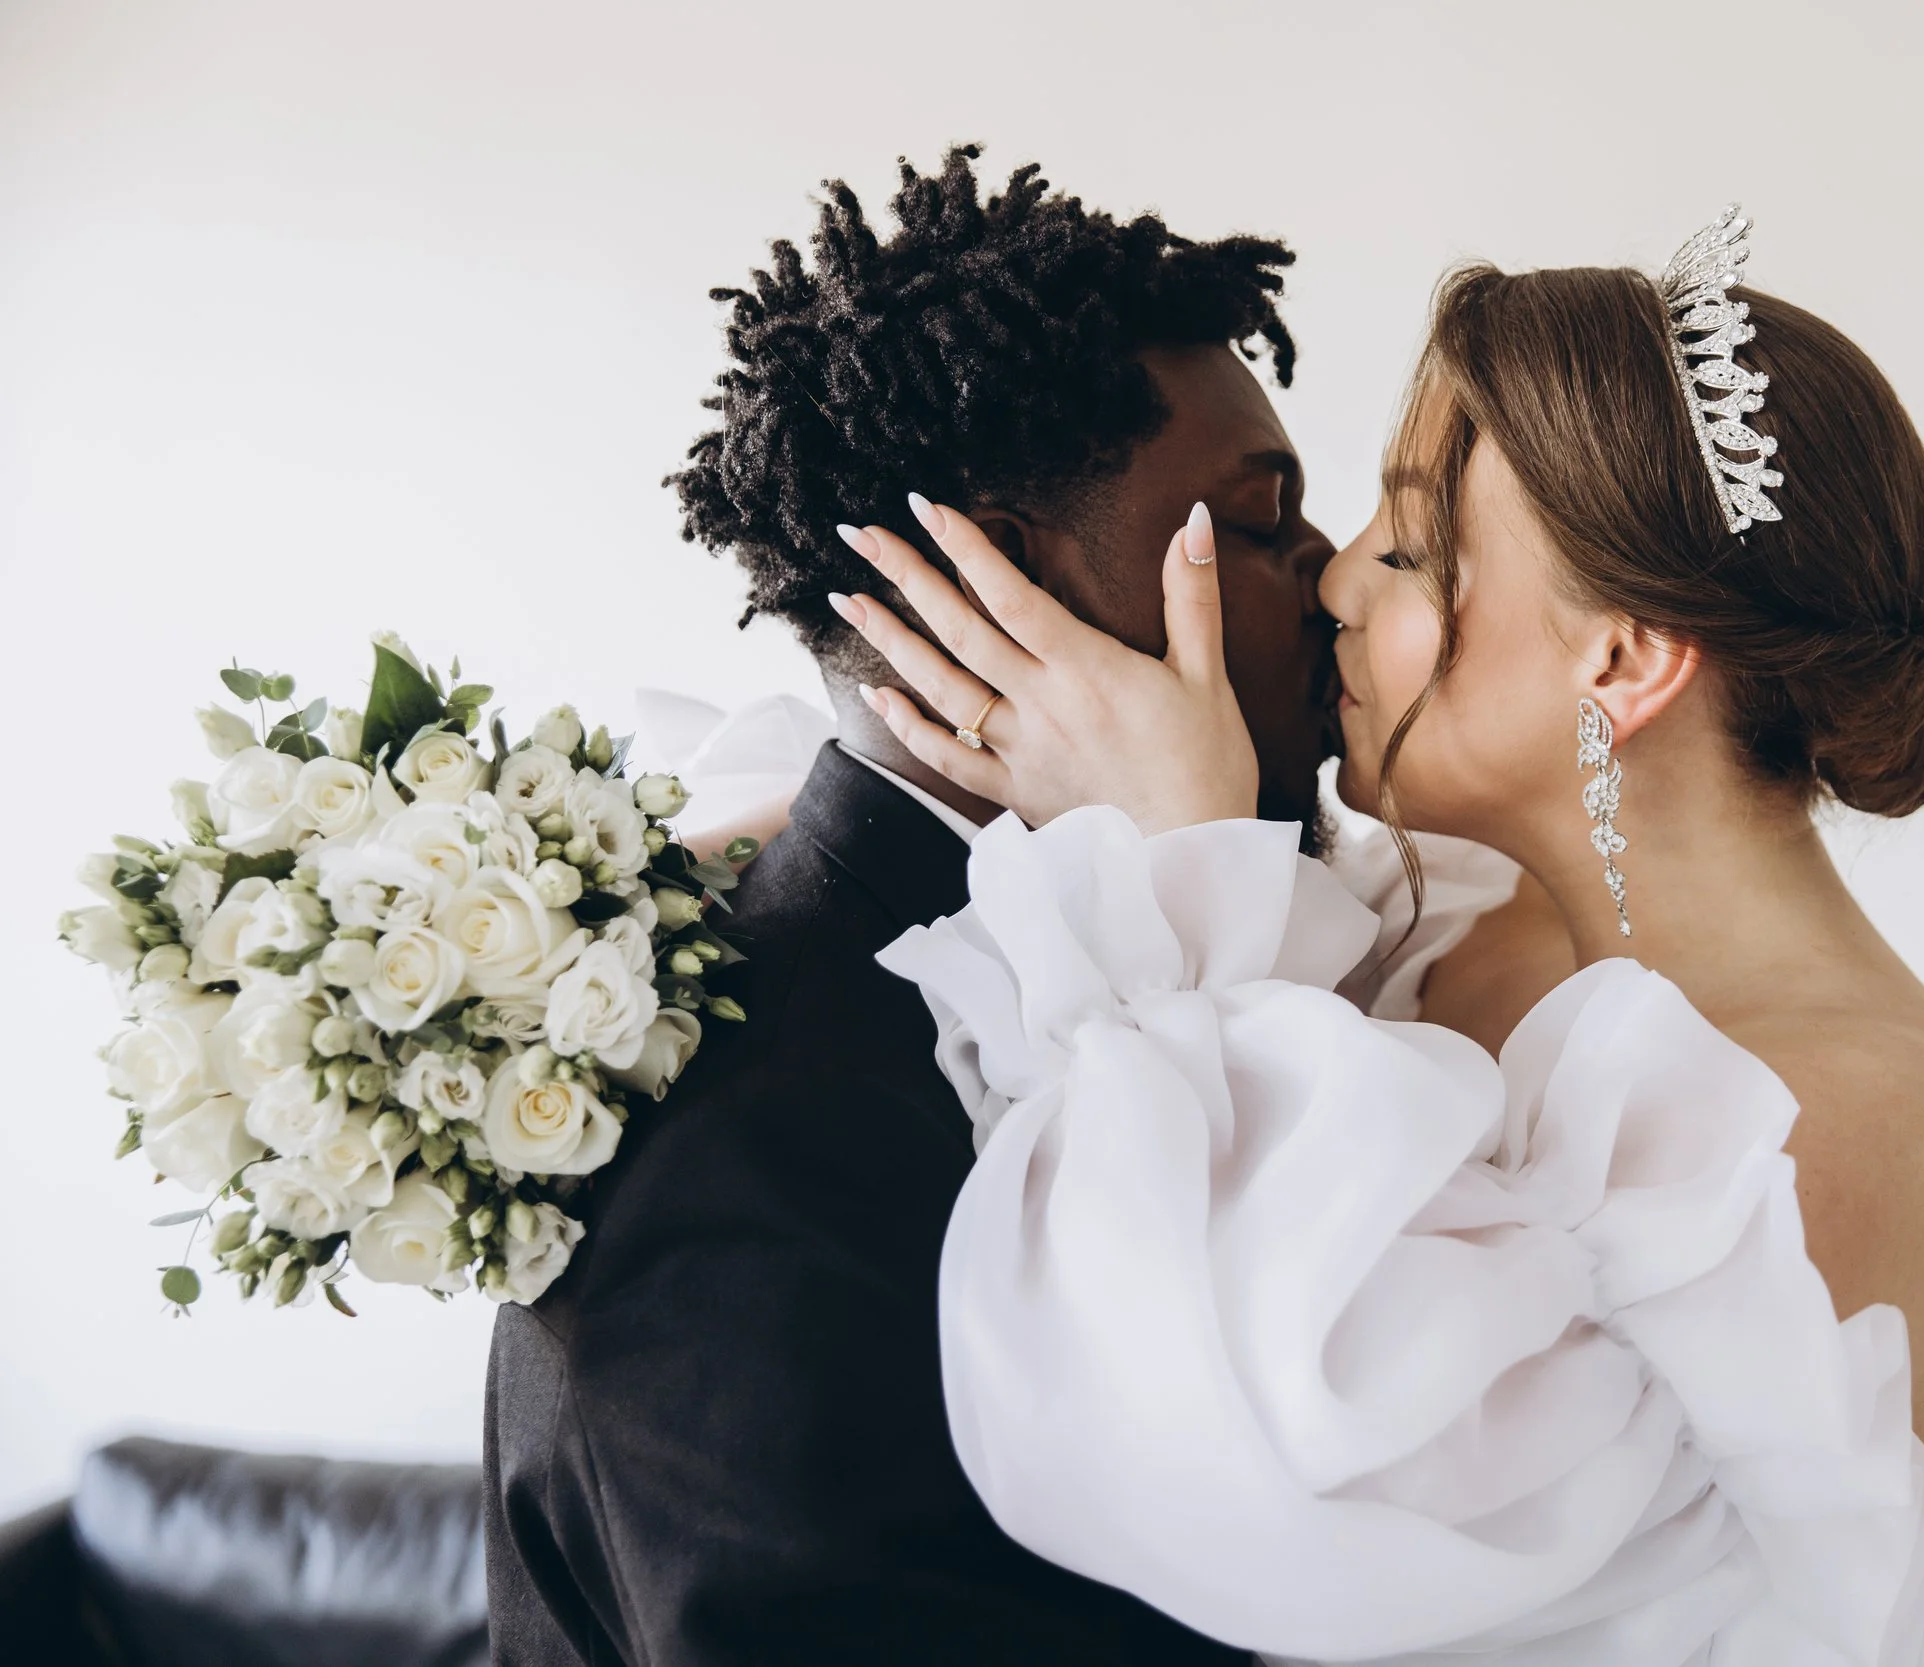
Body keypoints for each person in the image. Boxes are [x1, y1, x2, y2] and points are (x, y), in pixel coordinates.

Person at [836, 208, 1924, 1662]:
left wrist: (1176, 858)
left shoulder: (1841, 1118)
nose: (1338, 583)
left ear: (1625, 656)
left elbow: (1290, 1485)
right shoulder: (1448, 934)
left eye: (1412, 548)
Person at [480, 145, 1335, 1665]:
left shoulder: (1118, 947)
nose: (1334, 584)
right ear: (988, 586)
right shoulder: (747, 1152)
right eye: (1264, 523)